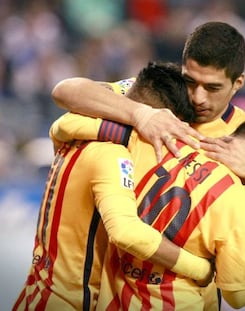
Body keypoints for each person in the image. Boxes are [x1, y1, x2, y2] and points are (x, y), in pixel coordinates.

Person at [51, 21, 245, 309]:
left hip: (192, 299)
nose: (198, 97)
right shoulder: (160, 98)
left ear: (238, 83)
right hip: (119, 290)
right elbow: (66, 91)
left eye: (212, 88)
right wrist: (141, 115)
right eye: (191, 81)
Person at [12, 62, 214, 311]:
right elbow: (125, 231)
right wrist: (202, 269)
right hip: (70, 301)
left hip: (38, 292)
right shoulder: (113, 155)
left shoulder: (82, 125)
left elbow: (60, 126)